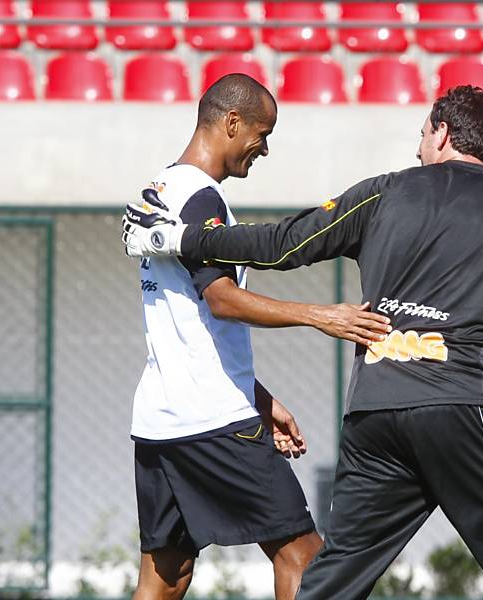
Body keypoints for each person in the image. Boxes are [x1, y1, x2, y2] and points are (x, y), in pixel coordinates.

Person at [123, 85, 483, 600]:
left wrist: (179, 239)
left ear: (441, 132)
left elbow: (285, 243)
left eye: (422, 134)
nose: (418, 147)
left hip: (375, 419)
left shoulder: (383, 193)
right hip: (460, 410)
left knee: (325, 582)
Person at [127, 74, 391, 600]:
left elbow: (191, 329)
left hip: (159, 423)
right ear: (231, 123)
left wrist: (260, 397)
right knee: (302, 555)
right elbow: (220, 299)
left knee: (167, 575)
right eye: (261, 133)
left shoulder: (162, 188)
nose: (264, 148)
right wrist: (323, 315)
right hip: (212, 422)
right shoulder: (202, 200)